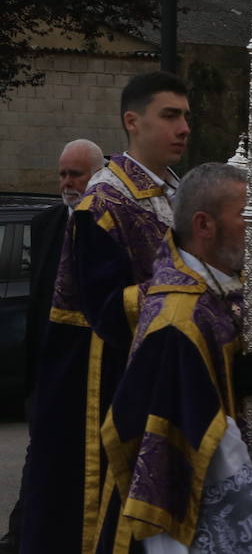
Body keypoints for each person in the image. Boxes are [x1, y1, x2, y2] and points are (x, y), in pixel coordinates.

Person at [100, 162, 252, 553]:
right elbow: (194, 459)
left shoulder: (234, 294)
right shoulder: (178, 318)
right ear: (204, 225)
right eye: (245, 216)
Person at [26, 71, 191, 553]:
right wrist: (190, 298)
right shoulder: (104, 201)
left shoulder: (176, 195)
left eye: (185, 116)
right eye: (170, 116)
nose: (183, 128)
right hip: (104, 379)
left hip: (163, 372)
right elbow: (106, 307)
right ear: (132, 122)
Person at [0, 139, 105, 554]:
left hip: (92, 369)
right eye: (62, 174)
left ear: (96, 175)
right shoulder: (44, 225)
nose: (66, 183)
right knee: (40, 456)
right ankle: (20, 536)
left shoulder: (109, 224)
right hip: (45, 370)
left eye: (74, 174)